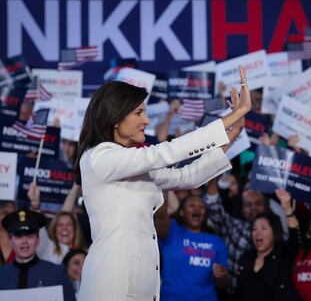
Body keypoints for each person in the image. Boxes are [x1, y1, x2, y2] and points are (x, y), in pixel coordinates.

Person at [74, 68, 251, 301]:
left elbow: (188, 177)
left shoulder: (132, 164)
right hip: (112, 284)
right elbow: (165, 152)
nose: (146, 120)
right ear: (115, 117)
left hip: (141, 286)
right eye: (139, 113)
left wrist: (230, 136)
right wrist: (231, 117)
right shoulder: (100, 157)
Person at [235, 189, 301, 301]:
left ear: (274, 232)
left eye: (263, 228)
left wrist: (287, 209)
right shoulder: (245, 258)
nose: (257, 232)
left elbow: (296, 239)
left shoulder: (283, 255)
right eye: (254, 229)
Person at [159, 195, 229, 301]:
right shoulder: (172, 231)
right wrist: (163, 189)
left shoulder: (216, 241)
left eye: (201, 207)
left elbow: (222, 284)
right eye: (192, 206)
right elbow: (160, 216)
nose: (197, 209)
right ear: (181, 212)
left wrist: (222, 274)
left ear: (205, 214)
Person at [0, 209, 75, 301]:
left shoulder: (56, 273)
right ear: (10, 241)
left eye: (30, 236)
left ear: (38, 240)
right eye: (18, 237)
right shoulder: (1, 275)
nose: (24, 242)